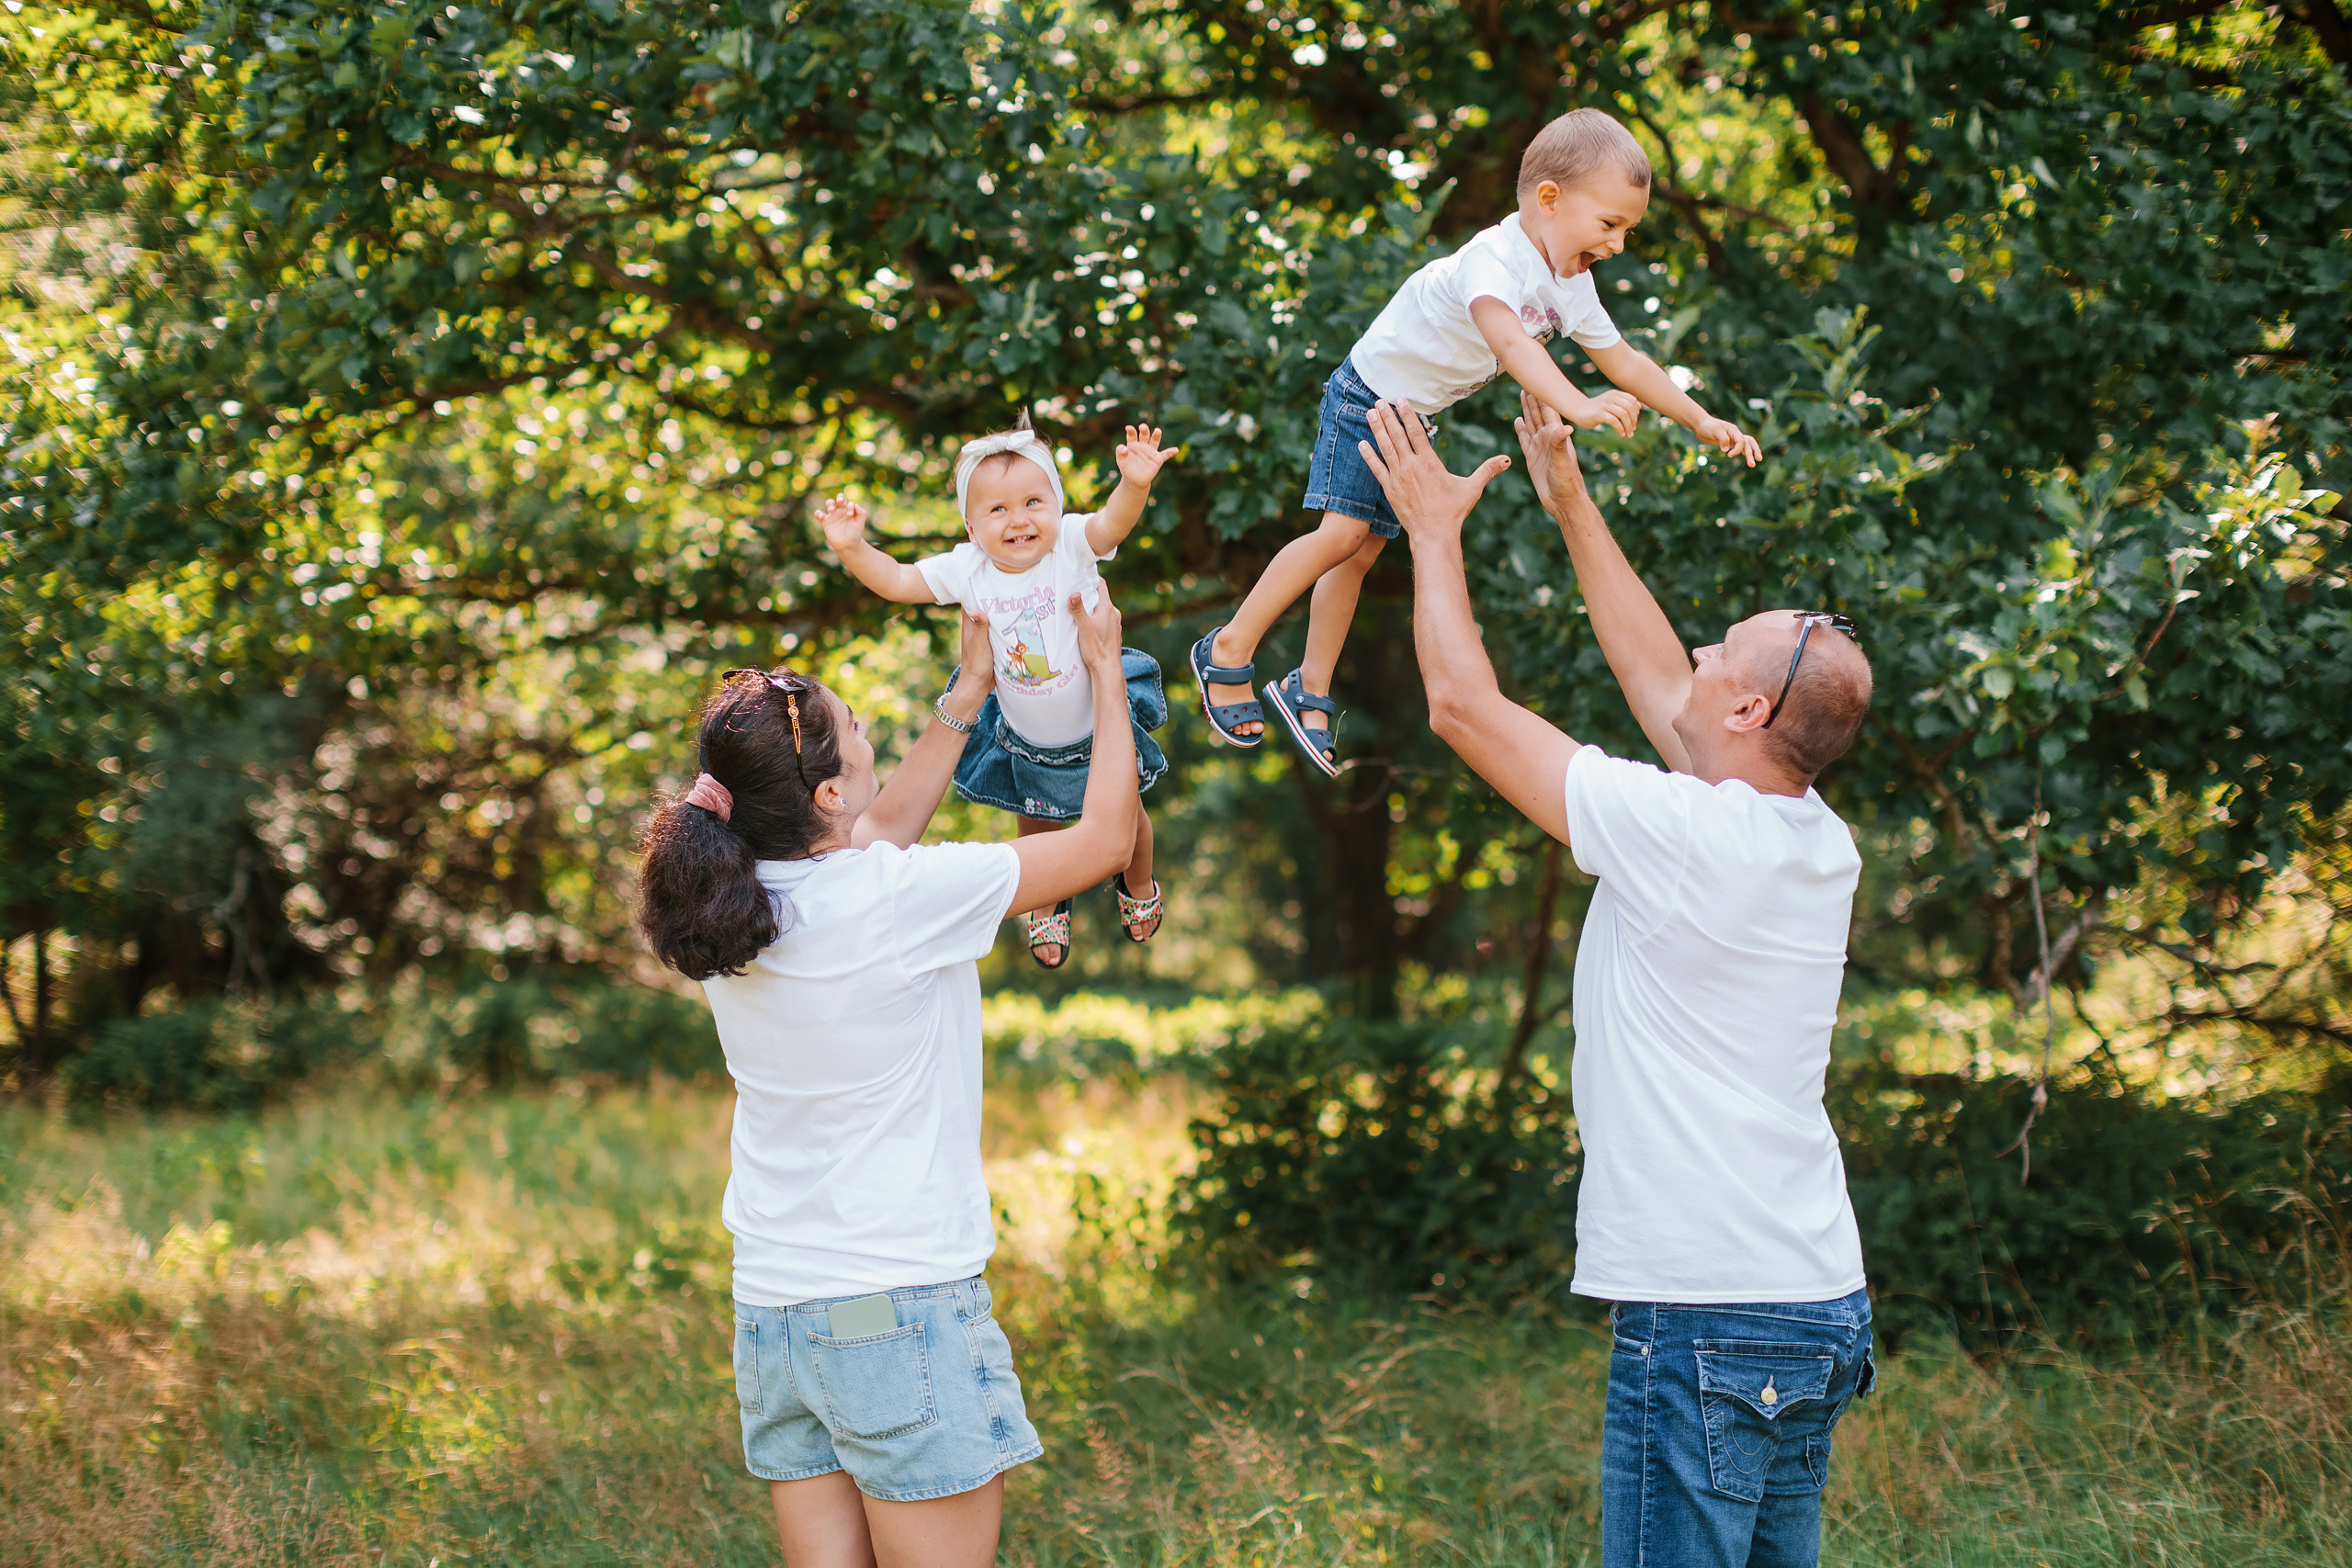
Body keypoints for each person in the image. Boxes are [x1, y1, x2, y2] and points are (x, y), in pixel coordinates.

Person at [1355, 392, 1875, 1568]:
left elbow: (1462, 708)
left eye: (1719, 654)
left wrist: (1435, 536)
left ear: (1746, 707)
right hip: (1812, 1303)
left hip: (1708, 1319)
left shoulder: (1689, 838)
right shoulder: (1805, 835)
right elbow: (1659, 681)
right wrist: (1571, 503)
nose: (1693, 653)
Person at [633, 598, 1138, 1568]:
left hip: (777, 1315)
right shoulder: (894, 900)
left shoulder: (737, 907)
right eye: (858, 725)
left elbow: (882, 829)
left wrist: (972, 686)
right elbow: (1106, 840)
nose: (869, 734)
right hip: (892, 1307)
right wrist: (1107, 677)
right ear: (826, 796)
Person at [1191, 107, 1762, 777]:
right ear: (1550, 200)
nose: (1617, 245)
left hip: (1407, 413)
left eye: (1627, 230)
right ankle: (1228, 647)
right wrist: (1574, 403)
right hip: (1364, 396)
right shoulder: (1492, 262)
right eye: (1609, 224)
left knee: (1361, 552)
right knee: (1342, 536)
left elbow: (1627, 361)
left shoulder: (1570, 283)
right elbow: (1512, 343)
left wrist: (1699, 419)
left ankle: (1307, 686)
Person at [820, 415, 1179, 968]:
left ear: (1057, 507)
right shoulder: (970, 570)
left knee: (1129, 818)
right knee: (1035, 820)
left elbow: (1112, 526)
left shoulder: (1071, 550)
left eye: (1035, 502)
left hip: (1097, 733)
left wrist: (1134, 483)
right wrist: (852, 548)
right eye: (998, 509)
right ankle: (1047, 907)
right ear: (970, 527)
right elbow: (897, 581)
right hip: (1025, 735)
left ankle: (1138, 884)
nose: (1020, 520)